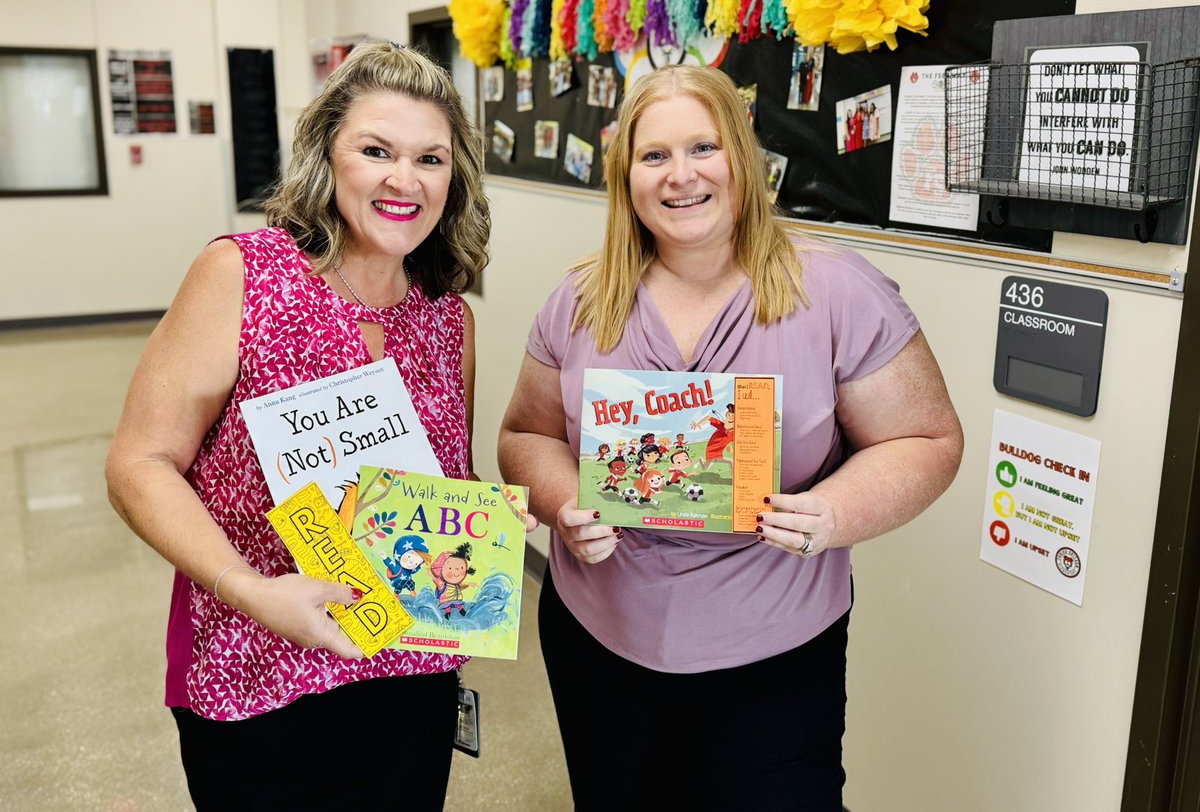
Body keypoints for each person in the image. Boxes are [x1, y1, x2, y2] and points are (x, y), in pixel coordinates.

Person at [497, 64, 962, 812]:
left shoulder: (836, 291)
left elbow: (928, 439)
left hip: (773, 652)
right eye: (654, 156)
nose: (680, 176)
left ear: (741, 160)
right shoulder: (580, 300)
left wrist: (834, 513)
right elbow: (525, 433)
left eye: (703, 148)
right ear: (626, 176)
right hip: (600, 636)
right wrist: (562, 503)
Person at [105, 40, 492, 811]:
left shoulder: (449, 320)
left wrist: (482, 562)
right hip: (255, 672)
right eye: (376, 150)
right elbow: (139, 464)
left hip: (405, 674)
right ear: (326, 154)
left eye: (430, 159)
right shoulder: (244, 276)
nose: (403, 180)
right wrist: (249, 589)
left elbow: (449, 488)